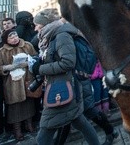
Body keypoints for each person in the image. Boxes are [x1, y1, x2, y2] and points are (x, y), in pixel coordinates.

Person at [31, 8, 100, 145]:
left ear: (45, 24)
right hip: (62, 85)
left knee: (43, 136)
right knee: (80, 122)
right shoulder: (51, 36)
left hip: (63, 87)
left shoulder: (61, 35)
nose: (35, 28)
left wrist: (41, 68)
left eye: (37, 24)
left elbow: (68, 62)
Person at [0, 27, 37, 141]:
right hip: (12, 84)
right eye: (11, 37)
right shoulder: (2, 51)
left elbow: (36, 57)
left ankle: (29, 125)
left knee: (29, 103)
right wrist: (9, 67)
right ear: (6, 39)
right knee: (15, 108)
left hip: (27, 79)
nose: (14, 38)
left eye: (15, 35)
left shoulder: (27, 45)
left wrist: (28, 62)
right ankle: (17, 130)